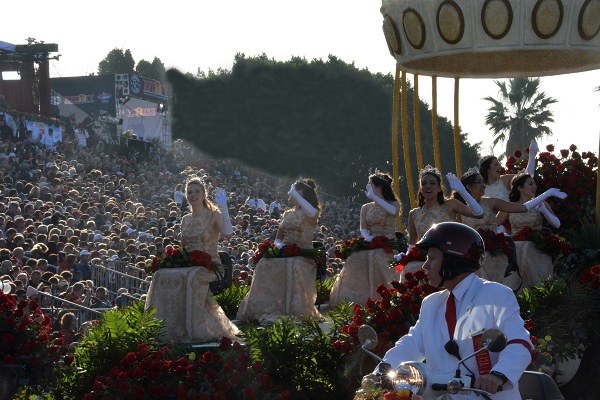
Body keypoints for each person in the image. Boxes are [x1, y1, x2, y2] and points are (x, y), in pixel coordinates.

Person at [364, 222, 534, 399]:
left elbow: (519, 342)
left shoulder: (496, 295)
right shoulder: (431, 303)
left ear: (453, 260)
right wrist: (382, 371)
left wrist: (498, 375)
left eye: (432, 258)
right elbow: (412, 342)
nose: (425, 266)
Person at [146, 177, 240, 342]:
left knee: (192, 277)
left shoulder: (213, 215)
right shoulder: (185, 219)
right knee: (160, 275)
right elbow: (184, 248)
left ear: (204, 194)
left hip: (211, 265)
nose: (193, 195)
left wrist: (224, 208)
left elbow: (228, 234)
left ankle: (196, 329)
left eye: (197, 192)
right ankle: (165, 328)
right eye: (190, 192)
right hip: (190, 264)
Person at [453, 168, 565, 285]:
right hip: (472, 251)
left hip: (493, 250)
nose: (483, 185)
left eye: (483, 182)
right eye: (479, 182)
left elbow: (524, 208)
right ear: (469, 187)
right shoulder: (459, 207)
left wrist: (547, 194)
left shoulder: (492, 202)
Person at [236, 178, 322, 322]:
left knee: (293, 264)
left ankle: (294, 310)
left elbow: (312, 213)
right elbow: (279, 235)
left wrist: (298, 195)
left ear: (300, 192)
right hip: (286, 251)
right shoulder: (287, 213)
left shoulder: (311, 212)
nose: (289, 193)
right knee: (264, 263)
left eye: (293, 191)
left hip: (303, 254)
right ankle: (266, 308)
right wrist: (278, 244)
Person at [401, 166, 484, 279]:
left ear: (439, 188)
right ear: (420, 188)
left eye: (432, 183)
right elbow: (412, 245)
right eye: (424, 184)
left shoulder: (450, 204)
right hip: (426, 258)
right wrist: (406, 257)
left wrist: (462, 191)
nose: (428, 186)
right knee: (410, 269)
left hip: (450, 255)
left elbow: (479, 214)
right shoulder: (413, 213)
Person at [329, 173, 400, 304]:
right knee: (355, 257)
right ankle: (354, 299)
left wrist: (375, 197)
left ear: (378, 187)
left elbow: (393, 212)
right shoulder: (366, 207)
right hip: (371, 240)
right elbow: (363, 228)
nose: (368, 187)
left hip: (388, 241)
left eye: (371, 184)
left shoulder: (394, 203)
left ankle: (384, 295)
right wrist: (368, 237)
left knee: (376, 255)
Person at [496, 173, 565, 289]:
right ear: (520, 188)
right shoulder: (510, 205)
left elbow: (557, 224)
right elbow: (493, 224)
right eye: (531, 184)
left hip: (537, 246)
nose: (535, 187)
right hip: (516, 247)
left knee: (528, 248)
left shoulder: (541, 203)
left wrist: (544, 211)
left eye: (535, 184)